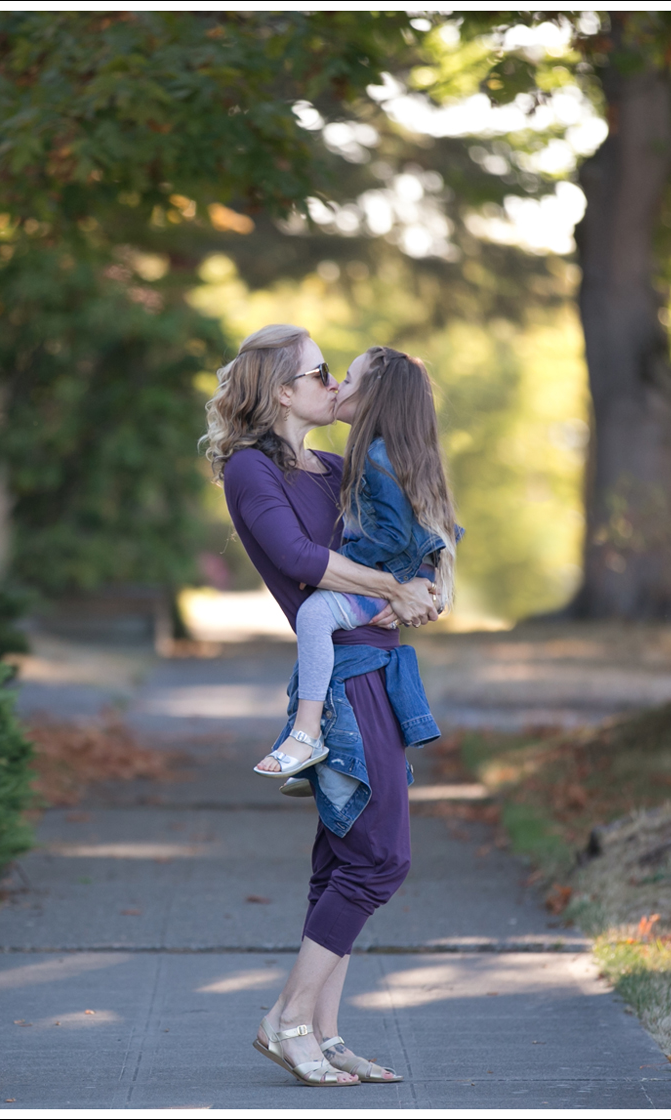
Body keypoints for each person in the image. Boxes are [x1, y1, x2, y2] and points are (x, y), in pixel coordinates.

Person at [203, 325, 443, 1087]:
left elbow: (393, 543)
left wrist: (424, 583)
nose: (333, 382)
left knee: (342, 861)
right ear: (283, 390)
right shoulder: (250, 471)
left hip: (377, 668)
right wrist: (390, 591)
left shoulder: (337, 467)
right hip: (339, 684)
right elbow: (302, 563)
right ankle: (288, 1019)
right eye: (320, 371)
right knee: (381, 858)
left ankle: (327, 1035)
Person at [252, 345, 460, 780]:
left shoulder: (376, 457)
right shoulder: (394, 453)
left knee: (313, 616)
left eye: (346, 379)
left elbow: (394, 536)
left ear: (374, 396)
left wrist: (352, 569)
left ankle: (305, 734)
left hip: (394, 571)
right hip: (404, 573)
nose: (335, 386)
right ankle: (315, 758)